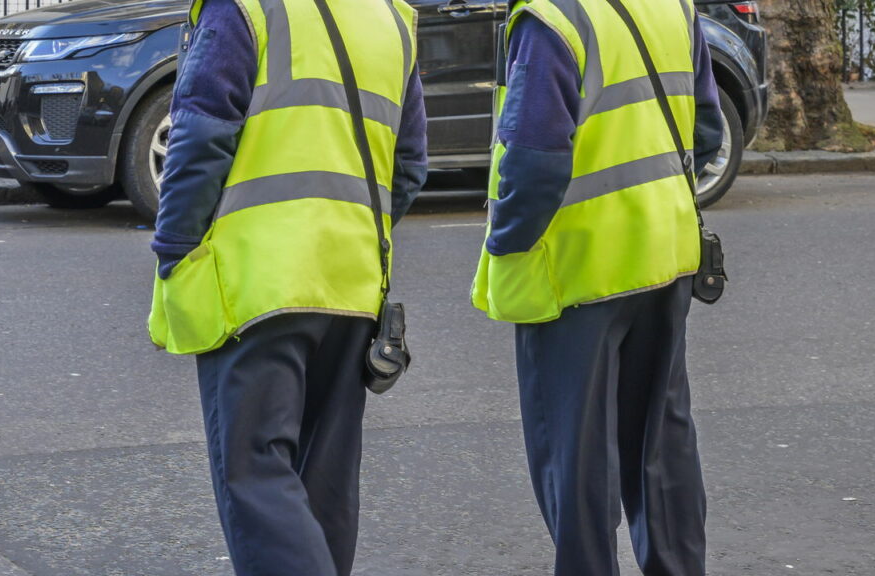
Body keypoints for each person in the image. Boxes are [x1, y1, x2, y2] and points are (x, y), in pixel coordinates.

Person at [147, 0, 427, 573]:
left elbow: (199, 139)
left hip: (258, 283)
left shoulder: (244, 10)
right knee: (325, 484)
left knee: (256, 475)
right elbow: (411, 165)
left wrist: (175, 251)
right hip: (352, 284)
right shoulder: (392, 17)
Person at [471, 0, 723, 574]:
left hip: (578, 269)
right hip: (665, 253)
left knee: (576, 457)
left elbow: (534, 160)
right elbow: (705, 131)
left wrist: (504, 239)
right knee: (662, 447)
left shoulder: (552, 18)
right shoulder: (674, 7)